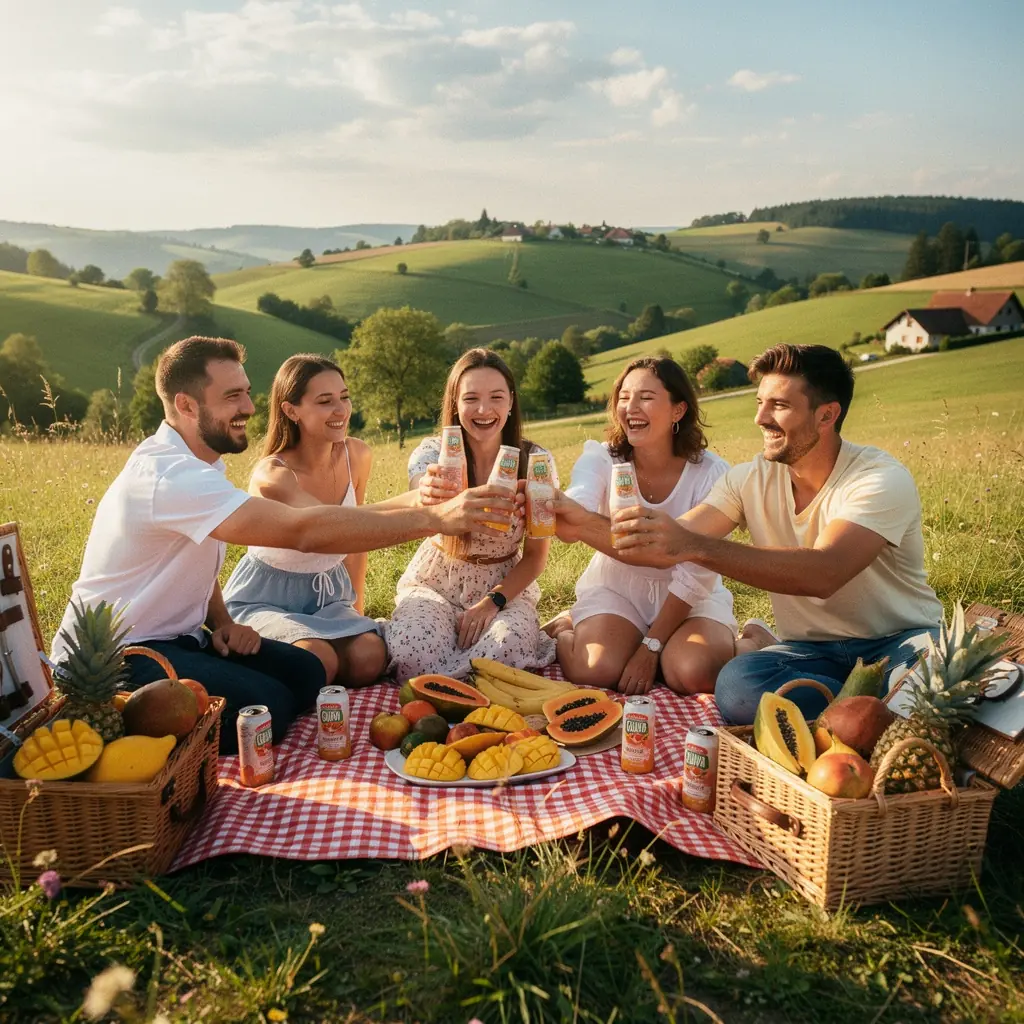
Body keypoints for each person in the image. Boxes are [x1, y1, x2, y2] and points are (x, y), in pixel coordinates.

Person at [50, 336, 519, 753]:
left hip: (189, 638)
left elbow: (192, 563)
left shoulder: (201, 464)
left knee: (307, 676)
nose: (251, 408)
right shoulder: (169, 476)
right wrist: (435, 517)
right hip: (119, 656)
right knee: (270, 707)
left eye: (247, 392)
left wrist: (221, 621)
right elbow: (304, 531)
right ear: (187, 406)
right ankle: (129, 735)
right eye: (232, 396)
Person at [582, 343, 943, 723]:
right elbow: (668, 542)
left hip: (899, 641)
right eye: (759, 402)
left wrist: (692, 546)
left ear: (827, 415)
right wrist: (571, 515)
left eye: (779, 406)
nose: (761, 418)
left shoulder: (879, 479)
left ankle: (865, 711)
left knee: (926, 690)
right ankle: (869, 715)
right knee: (737, 689)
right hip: (811, 650)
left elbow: (825, 572)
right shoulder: (748, 479)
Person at [544, 357, 737, 696]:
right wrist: (565, 508)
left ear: (678, 410)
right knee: (596, 670)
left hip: (690, 597)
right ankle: (566, 626)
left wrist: (651, 646)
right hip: (617, 589)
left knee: (693, 674)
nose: (630, 407)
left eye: (645, 397)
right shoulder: (602, 458)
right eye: (623, 396)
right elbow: (578, 503)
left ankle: (751, 636)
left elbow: (699, 569)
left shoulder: (712, 474)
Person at [386, 348, 556, 680]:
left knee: (507, 649)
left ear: (510, 403)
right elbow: (422, 483)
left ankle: (458, 680)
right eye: (471, 398)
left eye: (496, 397)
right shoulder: (434, 452)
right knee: (412, 653)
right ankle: (454, 675)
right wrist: (428, 490)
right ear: (454, 403)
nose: (483, 409)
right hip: (434, 582)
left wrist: (494, 601)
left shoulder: (536, 461)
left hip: (503, 587)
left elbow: (536, 557)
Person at [222, 354, 387, 689]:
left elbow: (353, 542)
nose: (341, 410)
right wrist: (424, 514)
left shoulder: (357, 456)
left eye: (344, 397)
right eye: (325, 401)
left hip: (329, 596)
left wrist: (356, 610)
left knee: (369, 656)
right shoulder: (273, 475)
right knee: (318, 659)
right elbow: (329, 526)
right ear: (291, 410)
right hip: (266, 598)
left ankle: (303, 679)